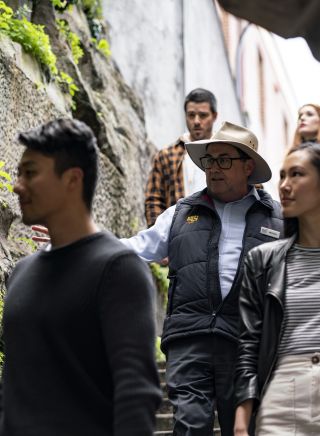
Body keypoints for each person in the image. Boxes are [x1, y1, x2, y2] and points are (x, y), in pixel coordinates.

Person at [122, 121, 284, 435]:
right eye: (210, 161)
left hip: (246, 345)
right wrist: (74, 242)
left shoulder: (277, 219)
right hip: (189, 338)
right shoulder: (181, 213)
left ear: (248, 166)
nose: (214, 168)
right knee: (190, 425)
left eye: (225, 160)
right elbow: (134, 248)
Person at [2, 118, 161, 436]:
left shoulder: (119, 269)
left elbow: (136, 397)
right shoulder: (21, 273)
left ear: (72, 179)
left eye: (30, 173)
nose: (17, 185)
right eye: (19, 174)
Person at [234, 142, 320, 435]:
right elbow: (249, 342)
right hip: (284, 393)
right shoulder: (262, 260)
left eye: (296, 175)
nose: (284, 185)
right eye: (282, 176)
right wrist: (242, 420)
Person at [145, 87, 218, 227]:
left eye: (203, 115)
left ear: (214, 116)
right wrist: (162, 235)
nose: (196, 121)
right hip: (177, 235)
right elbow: (153, 201)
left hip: (217, 233)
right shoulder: (166, 156)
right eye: (191, 115)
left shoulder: (229, 154)